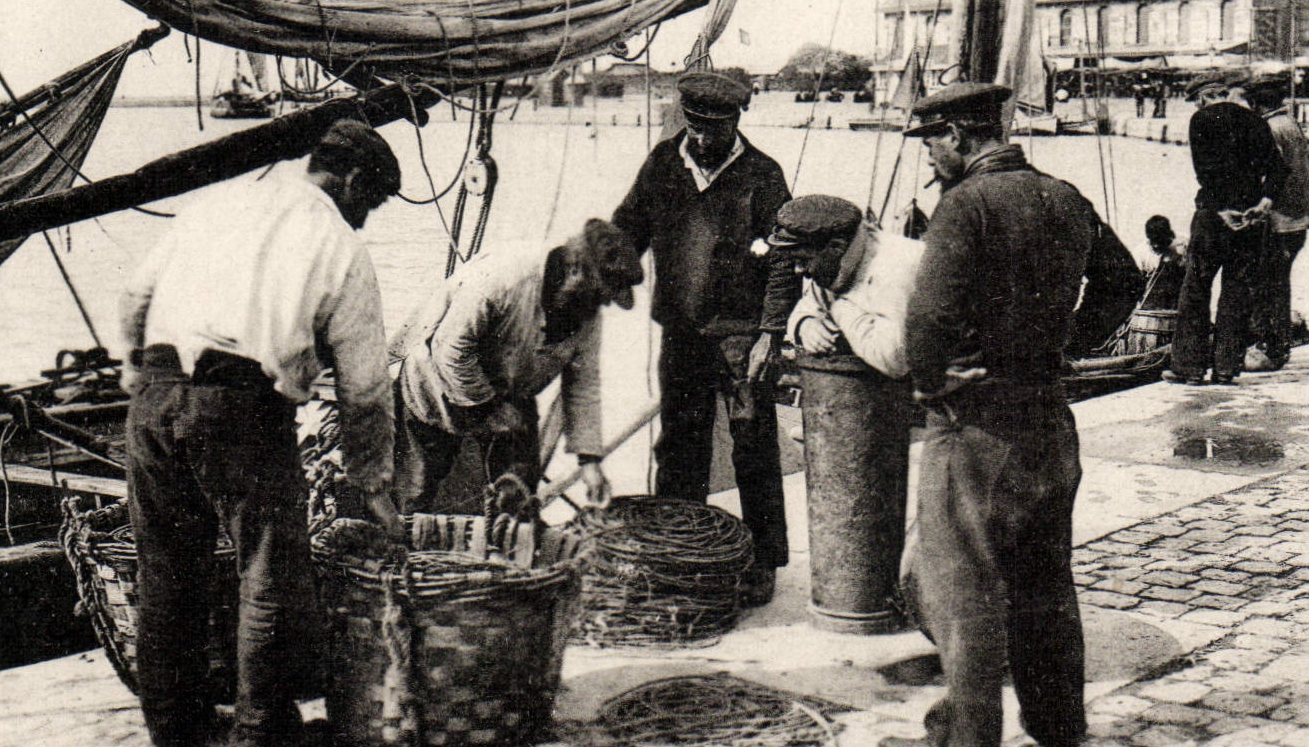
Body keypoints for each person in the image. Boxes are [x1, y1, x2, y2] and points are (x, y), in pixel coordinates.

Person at [116, 119, 404, 747]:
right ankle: (261, 734)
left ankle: (172, 723)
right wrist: (373, 477)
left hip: (156, 396)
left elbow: (135, 294)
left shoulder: (222, 201)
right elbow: (364, 387)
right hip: (240, 405)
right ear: (354, 181)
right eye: (372, 203)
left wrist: (136, 371)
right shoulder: (338, 243)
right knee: (267, 569)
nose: (364, 220)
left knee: (164, 566)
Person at [879, 82, 1137, 747]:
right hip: (1048, 415)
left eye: (931, 141)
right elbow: (1122, 278)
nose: (929, 156)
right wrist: (1068, 344)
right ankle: (1057, 721)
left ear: (958, 137)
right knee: (1045, 576)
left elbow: (927, 318)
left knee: (961, 580)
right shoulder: (1063, 195)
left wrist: (931, 382)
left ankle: (963, 740)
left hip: (975, 423)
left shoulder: (964, 205)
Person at [611, 70, 799, 605]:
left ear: (736, 121)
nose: (700, 138)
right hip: (681, 332)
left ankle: (764, 561)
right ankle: (679, 552)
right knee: (679, 448)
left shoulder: (764, 174)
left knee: (752, 446)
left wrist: (770, 333)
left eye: (713, 128)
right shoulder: (663, 162)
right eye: (693, 125)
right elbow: (628, 227)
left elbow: (785, 260)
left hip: (743, 337)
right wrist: (612, 272)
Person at [389, 219, 642, 513]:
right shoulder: (504, 277)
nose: (604, 305)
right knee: (416, 499)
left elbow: (583, 385)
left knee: (515, 503)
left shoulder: (587, 309)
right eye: (600, 294)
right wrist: (491, 409)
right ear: (575, 271)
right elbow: (450, 350)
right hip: (434, 389)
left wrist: (589, 461)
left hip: (510, 399)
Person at [1165, 72, 1288, 385]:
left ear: (1205, 97)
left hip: (1213, 217)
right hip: (1249, 219)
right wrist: (1264, 203)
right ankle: (1226, 367)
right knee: (1236, 290)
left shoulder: (1201, 120)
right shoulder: (1255, 121)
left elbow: (1205, 172)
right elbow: (1278, 168)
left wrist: (1221, 209)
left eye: (1196, 101)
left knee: (1196, 288)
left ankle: (1189, 368)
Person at [769, 195, 923, 379]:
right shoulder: (839, 261)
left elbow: (893, 359)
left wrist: (839, 307)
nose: (798, 270)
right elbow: (805, 308)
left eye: (803, 260)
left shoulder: (894, 267)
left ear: (836, 246)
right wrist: (806, 325)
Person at [1243, 74, 1309, 371]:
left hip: (1280, 220)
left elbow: (1270, 176)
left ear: (1255, 103)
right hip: (1297, 219)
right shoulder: (1290, 124)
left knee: (1269, 284)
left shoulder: (1270, 129)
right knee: (1279, 282)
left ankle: (1271, 348)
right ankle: (1277, 343)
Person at [1138, 214, 1187, 311]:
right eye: (1153, 241)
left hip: (1178, 299)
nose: (1156, 245)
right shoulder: (1140, 253)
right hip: (1153, 303)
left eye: (1160, 241)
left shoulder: (1182, 244)